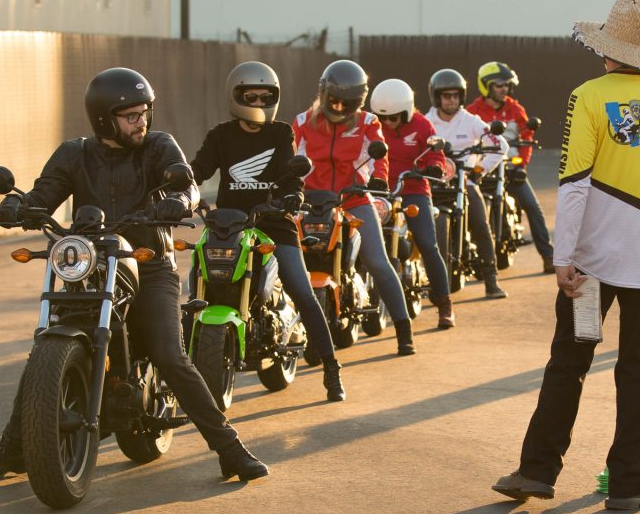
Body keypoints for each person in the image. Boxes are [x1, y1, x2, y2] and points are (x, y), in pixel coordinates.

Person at [0, 67, 268, 482]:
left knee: (169, 355)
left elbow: (187, 183)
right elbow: (44, 193)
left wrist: (179, 199)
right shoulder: (74, 154)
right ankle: (12, 448)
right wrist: (17, 207)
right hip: (92, 266)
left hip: (150, 265)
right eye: (130, 115)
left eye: (144, 112)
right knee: (44, 349)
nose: (141, 121)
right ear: (103, 120)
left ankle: (229, 449)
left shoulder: (158, 147)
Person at [492, 0, 640, 511]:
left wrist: (564, 256)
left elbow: (576, 184)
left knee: (569, 361)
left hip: (591, 265)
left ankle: (537, 471)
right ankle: (629, 481)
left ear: (607, 48)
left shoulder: (587, 96)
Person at [189, 61, 346, 401]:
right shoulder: (220, 136)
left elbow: (291, 174)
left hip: (274, 222)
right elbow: (198, 169)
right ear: (237, 96)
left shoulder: (280, 133)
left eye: (265, 96)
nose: (259, 102)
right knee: (196, 281)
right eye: (251, 95)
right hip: (229, 223)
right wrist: (180, 184)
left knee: (302, 290)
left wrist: (294, 194)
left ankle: (331, 369)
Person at [292, 59, 416, 355]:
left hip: (354, 199)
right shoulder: (301, 122)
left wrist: (379, 179)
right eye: (332, 101)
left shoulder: (369, 122)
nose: (337, 108)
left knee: (378, 262)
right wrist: (285, 184)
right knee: (289, 262)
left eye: (345, 104)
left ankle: (403, 328)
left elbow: (379, 156)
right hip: (311, 202)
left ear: (358, 102)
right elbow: (288, 157)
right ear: (322, 93)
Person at [369, 78, 457, 328]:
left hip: (414, 189)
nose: (386, 123)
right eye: (382, 117)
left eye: (393, 118)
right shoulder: (373, 125)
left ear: (406, 111)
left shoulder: (421, 124)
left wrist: (435, 167)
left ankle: (445, 303)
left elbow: (436, 154)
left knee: (429, 244)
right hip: (381, 191)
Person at [424, 68, 510, 299]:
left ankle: (491, 280)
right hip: (433, 183)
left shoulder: (471, 121)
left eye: (455, 95)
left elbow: (500, 145)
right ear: (437, 97)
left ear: (461, 96)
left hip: (464, 182)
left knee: (481, 223)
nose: (451, 100)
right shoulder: (425, 122)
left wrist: (479, 170)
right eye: (446, 95)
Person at [466, 61, 555, 274]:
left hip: (512, 169)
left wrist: (522, 165)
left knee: (533, 207)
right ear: (486, 86)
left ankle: (548, 256)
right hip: (485, 169)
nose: (504, 89)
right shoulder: (472, 111)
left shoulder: (515, 109)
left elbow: (527, 135)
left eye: (506, 85)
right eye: (498, 85)